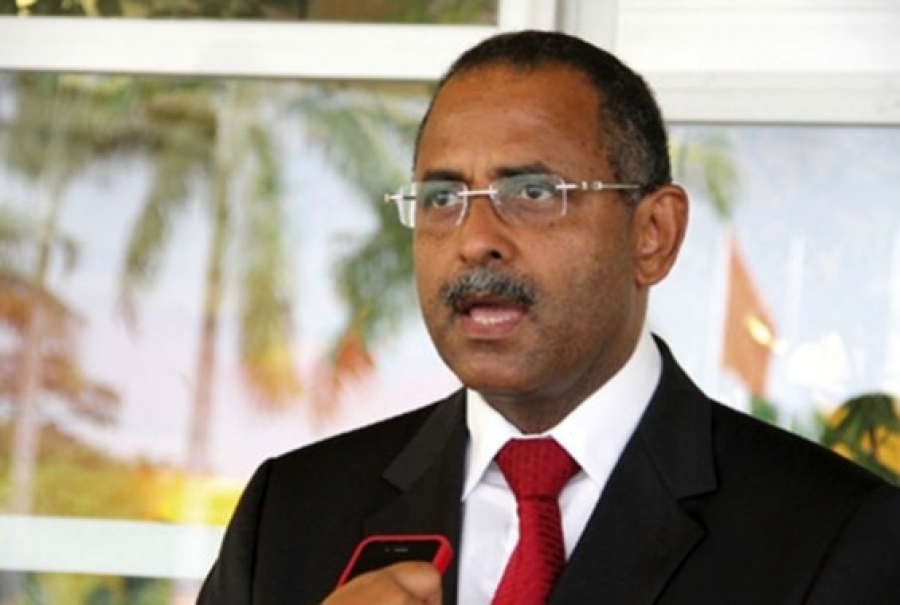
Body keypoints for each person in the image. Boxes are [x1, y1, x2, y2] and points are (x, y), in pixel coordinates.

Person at [197, 30, 900, 604]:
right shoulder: (288, 515)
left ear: (652, 234)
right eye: (442, 198)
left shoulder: (834, 534)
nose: (475, 239)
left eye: (533, 192)